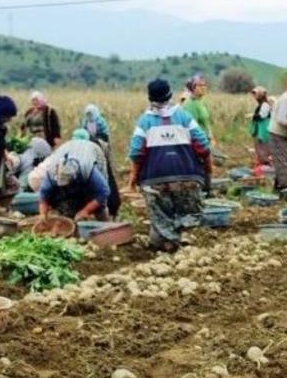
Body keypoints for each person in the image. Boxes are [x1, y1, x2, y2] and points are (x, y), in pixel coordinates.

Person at [128, 78, 212, 252]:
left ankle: (168, 240)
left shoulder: (144, 122)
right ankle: (180, 235)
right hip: (187, 177)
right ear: (170, 95)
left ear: (150, 98)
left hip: (154, 180)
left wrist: (133, 177)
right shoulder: (184, 117)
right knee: (188, 211)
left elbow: (136, 153)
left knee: (160, 215)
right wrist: (208, 168)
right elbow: (203, 145)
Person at [37, 129, 111, 221]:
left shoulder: (87, 169)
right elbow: (43, 195)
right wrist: (43, 215)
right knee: (66, 206)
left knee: (99, 206)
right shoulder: (52, 171)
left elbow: (104, 192)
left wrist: (85, 211)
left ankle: (104, 223)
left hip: (93, 154)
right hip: (69, 157)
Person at [78, 104, 120, 217]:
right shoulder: (85, 122)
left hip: (99, 145)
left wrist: (95, 141)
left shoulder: (100, 121)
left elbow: (105, 136)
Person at [183, 75, 215, 145]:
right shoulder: (190, 104)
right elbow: (193, 129)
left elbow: (206, 122)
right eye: (200, 85)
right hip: (199, 144)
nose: (203, 88)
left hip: (206, 141)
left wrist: (211, 137)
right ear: (193, 88)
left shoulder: (201, 102)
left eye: (204, 85)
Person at [250, 86, 271, 167]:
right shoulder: (261, 104)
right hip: (260, 128)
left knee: (263, 147)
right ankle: (263, 164)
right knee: (259, 147)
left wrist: (252, 116)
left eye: (255, 94)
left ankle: (266, 165)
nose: (254, 96)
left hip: (264, 128)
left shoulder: (265, 104)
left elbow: (262, 115)